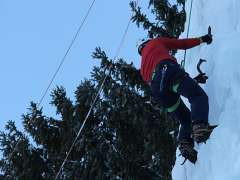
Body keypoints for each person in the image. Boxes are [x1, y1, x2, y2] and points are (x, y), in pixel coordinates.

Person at [138, 30, 215, 164]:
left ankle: (184, 143)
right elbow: (181, 44)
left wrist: (193, 81)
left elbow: (165, 84)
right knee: (197, 96)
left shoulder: (143, 68)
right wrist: (203, 39)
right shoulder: (156, 42)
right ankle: (200, 127)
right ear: (148, 41)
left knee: (185, 119)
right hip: (167, 69)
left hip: (158, 91)